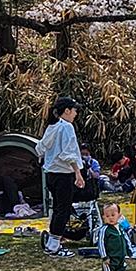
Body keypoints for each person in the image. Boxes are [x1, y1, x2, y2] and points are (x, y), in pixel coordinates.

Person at [37, 97, 84, 258]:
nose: (76, 114)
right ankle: (54, 245)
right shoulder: (66, 127)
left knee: (57, 208)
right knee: (63, 209)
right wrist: (78, 173)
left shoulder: (53, 126)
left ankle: (52, 241)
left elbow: (41, 147)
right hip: (63, 174)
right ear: (67, 111)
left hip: (51, 174)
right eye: (75, 110)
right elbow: (69, 154)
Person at [95, 202, 132, 271]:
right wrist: (104, 257)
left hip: (121, 256)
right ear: (103, 217)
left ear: (119, 216)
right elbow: (101, 244)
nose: (110, 218)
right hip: (110, 258)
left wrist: (129, 250)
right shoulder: (104, 230)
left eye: (113, 215)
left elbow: (125, 239)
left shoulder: (120, 227)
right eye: (107, 216)